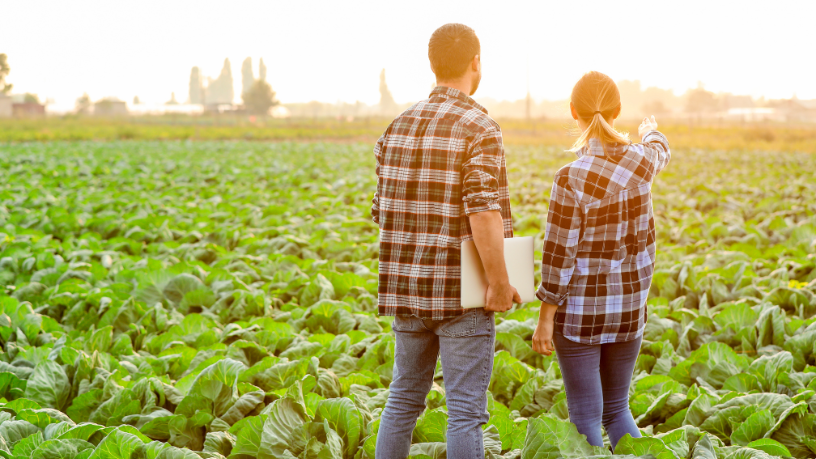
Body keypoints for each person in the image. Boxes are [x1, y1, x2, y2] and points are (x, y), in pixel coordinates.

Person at [372, 23, 520, 459]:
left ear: (432, 64)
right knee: (465, 412)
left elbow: (381, 212)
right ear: (476, 62)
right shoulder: (480, 127)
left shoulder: (396, 127)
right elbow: (483, 210)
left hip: (405, 291)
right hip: (462, 294)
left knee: (401, 401)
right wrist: (497, 281)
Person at [531, 71, 671, 451]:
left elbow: (558, 255)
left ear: (573, 111)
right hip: (629, 311)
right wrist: (649, 130)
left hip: (580, 317)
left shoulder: (570, 178)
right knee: (618, 412)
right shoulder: (643, 162)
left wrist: (546, 318)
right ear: (618, 109)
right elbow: (661, 150)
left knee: (587, 419)